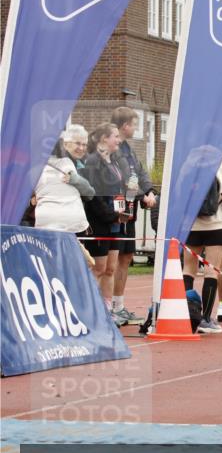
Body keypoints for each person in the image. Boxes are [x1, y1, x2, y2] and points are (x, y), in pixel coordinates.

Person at [109, 107, 157, 325]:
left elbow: (140, 172)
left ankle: (118, 305)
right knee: (111, 259)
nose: (136, 129)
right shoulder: (112, 148)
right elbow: (122, 178)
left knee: (126, 256)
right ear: (125, 125)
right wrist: (141, 194)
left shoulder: (129, 149)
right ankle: (108, 306)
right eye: (134, 124)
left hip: (130, 211)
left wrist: (149, 191)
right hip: (117, 210)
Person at [183, 156, 222, 333]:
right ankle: (206, 319)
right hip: (217, 222)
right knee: (212, 270)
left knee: (188, 269)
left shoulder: (189, 160)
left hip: (192, 222)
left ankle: (185, 314)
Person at [82, 123, 129, 323]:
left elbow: (117, 189)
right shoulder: (93, 161)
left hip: (115, 223)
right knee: (98, 268)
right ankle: (89, 311)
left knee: (111, 268)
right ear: (104, 139)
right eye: (115, 136)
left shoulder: (114, 161)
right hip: (100, 222)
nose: (118, 140)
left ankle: (107, 310)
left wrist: (123, 208)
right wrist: (110, 215)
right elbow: (92, 195)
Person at [34, 130, 95, 236]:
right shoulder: (66, 163)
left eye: (84, 144)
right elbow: (90, 193)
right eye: (78, 143)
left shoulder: (33, 169)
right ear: (62, 145)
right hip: (73, 221)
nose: (81, 148)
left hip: (46, 221)